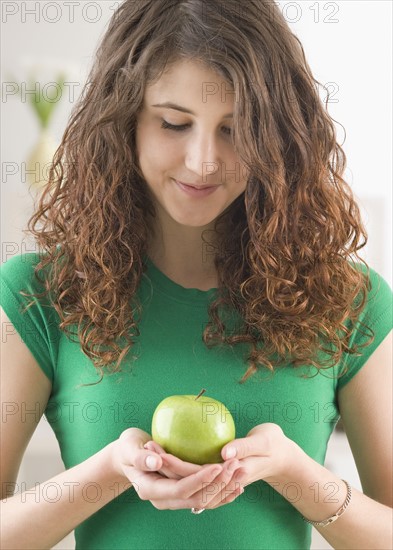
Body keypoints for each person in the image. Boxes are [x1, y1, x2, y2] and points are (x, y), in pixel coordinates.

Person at [1, 1, 392, 548]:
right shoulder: (36, 293)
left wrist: (297, 475)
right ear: (122, 121)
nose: (204, 160)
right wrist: (112, 471)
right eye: (174, 123)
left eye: (235, 130)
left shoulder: (350, 300)